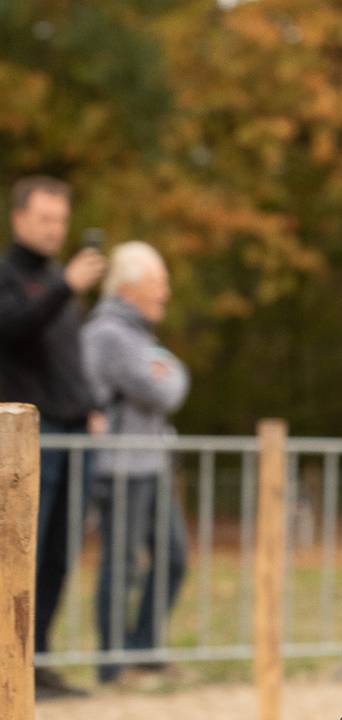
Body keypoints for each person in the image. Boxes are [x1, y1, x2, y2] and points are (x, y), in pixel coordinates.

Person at [0, 175, 105, 698]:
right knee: (24, 552)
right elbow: (12, 329)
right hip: (26, 438)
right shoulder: (10, 276)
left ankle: (37, 659)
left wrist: (90, 405)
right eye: (44, 218)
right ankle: (11, 663)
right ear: (18, 218)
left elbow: (67, 358)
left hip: (71, 433)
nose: (54, 229)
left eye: (61, 220)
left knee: (60, 555)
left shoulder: (61, 284)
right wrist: (65, 287)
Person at [80, 241, 189, 685]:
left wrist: (166, 371)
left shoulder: (140, 334)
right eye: (158, 283)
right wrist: (163, 372)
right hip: (121, 466)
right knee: (120, 564)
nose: (165, 292)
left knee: (173, 557)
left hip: (151, 462)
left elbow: (175, 380)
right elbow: (159, 388)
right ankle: (112, 664)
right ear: (128, 288)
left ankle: (144, 648)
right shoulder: (107, 333)